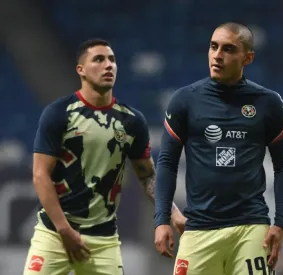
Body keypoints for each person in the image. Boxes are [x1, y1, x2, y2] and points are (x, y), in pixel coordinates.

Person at [23, 39, 186, 275]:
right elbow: (40, 175)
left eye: (112, 60)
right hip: (54, 235)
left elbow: (148, 176)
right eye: (99, 59)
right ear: (81, 70)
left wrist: (174, 213)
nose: (108, 65)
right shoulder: (58, 113)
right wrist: (64, 230)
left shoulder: (131, 121)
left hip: (103, 240)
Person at [153, 22, 283, 275]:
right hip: (198, 228)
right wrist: (161, 219)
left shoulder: (268, 102)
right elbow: (166, 162)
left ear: (247, 58)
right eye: (213, 46)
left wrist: (281, 223)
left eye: (229, 49)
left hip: (251, 228)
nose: (217, 55)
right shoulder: (185, 100)